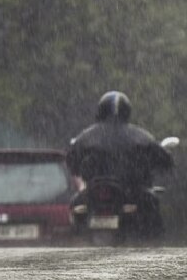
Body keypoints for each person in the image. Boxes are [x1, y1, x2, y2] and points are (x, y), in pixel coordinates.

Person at [66, 91, 173, 237]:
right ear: (127, 111)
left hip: (97, 191)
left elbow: (71, 161)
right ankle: (152, 241)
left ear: (101, 110)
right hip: (131, 190)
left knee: (75, 204)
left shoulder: (86, 136)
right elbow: (163, 159)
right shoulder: (140, 136)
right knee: (152, 205)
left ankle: (75, 235)